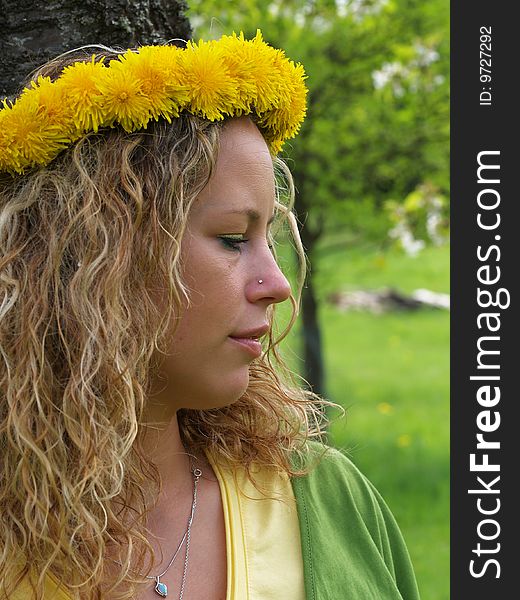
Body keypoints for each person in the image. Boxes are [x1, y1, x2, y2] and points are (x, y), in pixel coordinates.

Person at [0, 31, 420, 600]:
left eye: (269, 238)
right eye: (231, 238)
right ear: (94, 258)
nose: (276, 285)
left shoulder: (323, 501)